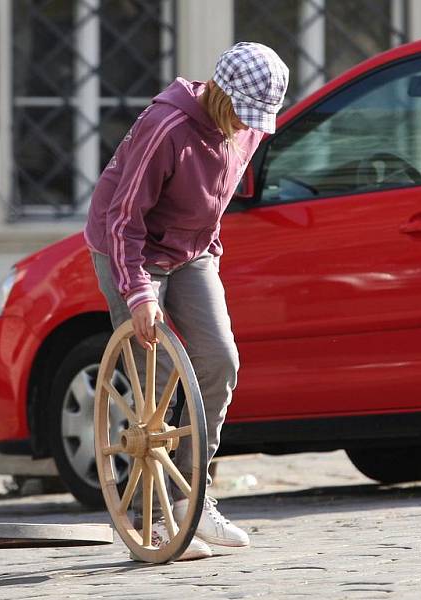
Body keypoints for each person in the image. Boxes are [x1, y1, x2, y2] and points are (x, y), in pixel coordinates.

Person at [85, 42, 289, 561]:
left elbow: (215, 199)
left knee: (220, 358)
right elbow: (123, 220)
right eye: (241, 114)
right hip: (128, 249)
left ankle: (191, 497)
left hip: (192, 251)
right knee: (153, 378)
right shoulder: (168, 128)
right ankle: (146, 519)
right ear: (219, 93)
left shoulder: (245, 128)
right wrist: (138, 294)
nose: (246, 127)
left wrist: (209, 253)